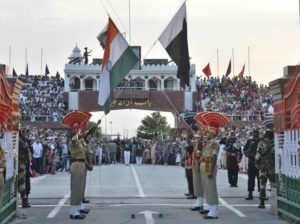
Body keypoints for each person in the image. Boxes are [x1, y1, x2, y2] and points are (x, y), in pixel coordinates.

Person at [68, 129, 90, 219]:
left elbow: (86, 153)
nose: (81, 134)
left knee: (80, 188)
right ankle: (74, 212)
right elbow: (74, 139)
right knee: (76, 189)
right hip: (76, 165)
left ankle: (78, 208)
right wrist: (78, 131)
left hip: (82, 165)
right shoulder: (73, 143)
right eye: (79, 133)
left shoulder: (80, 143)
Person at [200, 127, 220, 219]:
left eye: (208, 133)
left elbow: (214, 158)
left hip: (209, 166)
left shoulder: (214, 144)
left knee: (211, 189)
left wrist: (211, 171)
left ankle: (214, 211)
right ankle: (210, 208)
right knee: (207, 189)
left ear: (213, 134)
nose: (207, 134)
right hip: (205, 165)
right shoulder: (208, 143)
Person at [255, 130, 275, 209]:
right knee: (273, 184)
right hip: (271, 167)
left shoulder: (261, 143)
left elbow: (257, 156)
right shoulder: (274, 143)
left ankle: (262, 202)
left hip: (263, 167)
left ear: (266, 135)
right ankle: (275, 202)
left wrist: (256, 164)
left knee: (262, 184)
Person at [243, 129, 260, 200]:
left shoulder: (261, 141)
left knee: (261, 179)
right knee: (251, 178)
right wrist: (248, 155)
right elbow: (244, 149)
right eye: (254, 133)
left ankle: (262, 194)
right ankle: (250, 193)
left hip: (260, 162)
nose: (255, 134)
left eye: (257, 133)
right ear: (252, 133)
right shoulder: (249, 141)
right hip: (252, 162)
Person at [190, 132, 204, 211]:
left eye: (198, 137)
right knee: (197, 185)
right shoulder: (196, 144)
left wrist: (197, 151)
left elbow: (200, 155)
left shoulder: (202, 145)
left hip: (199, 166)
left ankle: (200, 203)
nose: (196, 138)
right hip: (195, 166)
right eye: (196, 137)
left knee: (200, 185)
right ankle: (199, 202)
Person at [19, 130, 32, 208]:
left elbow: (29, 151)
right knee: (22, 183)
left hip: (25, 164)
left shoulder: (25, 141)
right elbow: (26, 149)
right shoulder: (20, 141)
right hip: (21, 165)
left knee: (26, 183)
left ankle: (26, 199)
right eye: (24, 133)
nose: (26, 135)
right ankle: (24, 200)